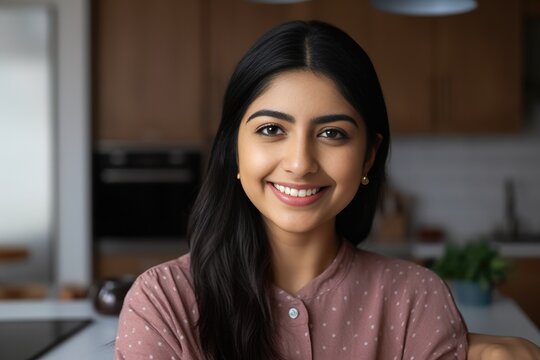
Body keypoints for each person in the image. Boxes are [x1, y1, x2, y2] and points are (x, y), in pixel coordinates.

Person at [115, 20, 540, 360]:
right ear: (232, 149)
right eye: (270, 129)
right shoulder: (163, 302)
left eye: (332, 133)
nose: (300, 163)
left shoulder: (416, 299)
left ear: (369, 156)